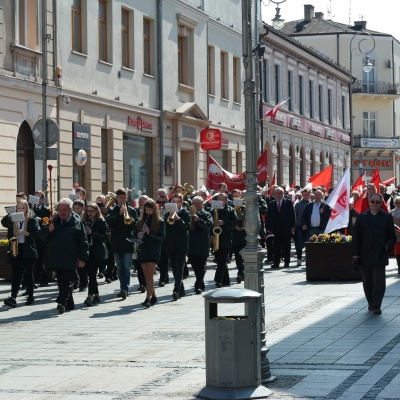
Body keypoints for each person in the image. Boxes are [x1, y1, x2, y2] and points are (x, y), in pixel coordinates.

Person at [39, 198, 89, 314]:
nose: (62, 212)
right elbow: (41, 237)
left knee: (67, 281)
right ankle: (69, 304)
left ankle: (61, 302)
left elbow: (84, 242)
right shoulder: (53, 222)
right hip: (56, 257)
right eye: (60, 210)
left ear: (70, 210)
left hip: (70, 257)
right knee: (61, 282)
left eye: (64, 209)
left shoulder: (77, 223)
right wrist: (48, 230)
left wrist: (83, 258)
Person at [352, 193, 396, 315]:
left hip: (380, 253)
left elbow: (392, 237)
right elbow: (356, 237)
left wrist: (387, 246)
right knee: (367, 282)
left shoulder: (387, 217)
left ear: (381, 203)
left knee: (379, 282)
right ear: (369, 202)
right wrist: (355, 253)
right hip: (364, 254)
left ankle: (377, 305)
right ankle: (371, 302)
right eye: (372, 202)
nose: (375, 204)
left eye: (377, 202)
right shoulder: (362, 217)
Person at [3, 199, 40, 308]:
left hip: (27, 248)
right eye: (18, 208)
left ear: (26, 209)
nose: (20, 210)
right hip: (16, 247)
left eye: (23, 208)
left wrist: (24, 232)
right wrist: (8, 216)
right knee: (16, 274)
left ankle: (31, 297)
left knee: (28, 273)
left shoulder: (32, 219)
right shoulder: (13, 217)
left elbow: (36, 234)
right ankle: (13, 297)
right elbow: (4, 223)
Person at [105, 188, 138, 300]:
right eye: (120, 197)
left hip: (128, 243)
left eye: (124, 197)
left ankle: (125, 289)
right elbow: (109, 222)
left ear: (126, 198)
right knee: (119, 268)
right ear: (117, 198)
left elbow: (136, 225)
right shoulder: (113, 209)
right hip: (116, 243)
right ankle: (122, 287)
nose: (122, 200)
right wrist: (119, 214)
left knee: (126, 267)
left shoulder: (132, 210)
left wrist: (130, 219)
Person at [134, 199, 165, 307]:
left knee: (150, 275)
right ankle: (154, 296)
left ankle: (147, 299)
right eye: (146, 210)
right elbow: (134, 233)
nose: (148, 212)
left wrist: (150, 233)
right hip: (143, 249)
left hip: (153, 250)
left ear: (154, 210)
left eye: (150, 210)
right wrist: (138, 235)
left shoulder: (160, 222)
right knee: (146, 275)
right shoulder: (141, 221)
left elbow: (161, 238)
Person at [164, 193, 191, 300]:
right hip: (170, 244)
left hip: (181, 244)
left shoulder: (185, 213)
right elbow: (165, 227)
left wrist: (178, 219)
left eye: (179, 201)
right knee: (174, 268)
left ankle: (176, 290)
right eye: (174, 201)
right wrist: (169, 217)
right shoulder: (167, 213)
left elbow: (186, 227)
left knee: (179, 268)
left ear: (182, 202)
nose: (177, 204)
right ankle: (181, 289)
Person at [81, 203, 108, 306]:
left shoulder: (101, 221)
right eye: (88, 211)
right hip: (87, 250)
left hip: (97, 251)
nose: (89, 213)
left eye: (91, 211)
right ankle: (96, 294)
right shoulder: (83, 221)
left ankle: (89, 296)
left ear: (96, 211)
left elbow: (104, 237)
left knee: (92, 274)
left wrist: (92, 233)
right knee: (90, 274)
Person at [211, 192, 238, 287]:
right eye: (218, 199)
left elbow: (235, 222)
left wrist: (224, 222)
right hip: (215, 237)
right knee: (219, 260)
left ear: (226, 201)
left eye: (221, 199)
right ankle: (226, 280)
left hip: (226, 237)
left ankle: (218, 280)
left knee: (222, 260)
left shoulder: (230, 210)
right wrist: (211, 235)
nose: (219, 201)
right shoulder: (213, 209)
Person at [188, 196, 213, 294]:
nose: (197, 205)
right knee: (194, 265)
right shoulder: (189, 214)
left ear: (203, 204)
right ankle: (200, 282)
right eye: (195, 203)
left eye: (199, 203)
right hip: (192, 244)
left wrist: (198, 220)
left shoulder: (207, 214)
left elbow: (208, 226)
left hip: (202, 243)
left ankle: (198, 285)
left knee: (201, 265)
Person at [266, 187, 295, 269]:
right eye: (276, 193)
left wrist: (293, 226)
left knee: (286, 246)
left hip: (286, 228)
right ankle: (276, 263)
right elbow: (268, 217)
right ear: (274, 194)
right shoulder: (271, 204)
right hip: (275, 229)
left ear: (283, 194)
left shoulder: (288, 202)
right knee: (276, 247)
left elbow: (292, 215)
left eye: (280, 193)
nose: (278, 195)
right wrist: (268, 227)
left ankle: (286, 262)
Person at [32, 190, 51, 286]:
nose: (35, 200)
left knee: (39, 259)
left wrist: (41, 220)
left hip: (42, 237)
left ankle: (36, 281)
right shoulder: (30, 209)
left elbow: (47, 223)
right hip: (32, 237)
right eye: (34, 197)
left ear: (42, 200)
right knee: (34, 259)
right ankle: (44, 278)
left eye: (38, 198)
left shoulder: (47, 210)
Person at [133, 195, 149, 293]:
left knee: (147, 265)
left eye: (143, 201)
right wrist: (136, 233)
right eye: (140, 201)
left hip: (148, 243)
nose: (141, 203)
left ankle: (147, 284)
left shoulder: (151, 213)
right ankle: (142, 284)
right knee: (138, 264)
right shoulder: (135, 211)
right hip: (138, 243)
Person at [294, 188, 311, 266]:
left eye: (307, 195)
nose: (305, 196)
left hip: (309, 227)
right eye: (304, 195)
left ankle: (308, 259)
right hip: (299, 226)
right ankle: (299, 258)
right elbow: (295, 215)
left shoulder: (311, 204)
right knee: (299, 243)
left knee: (309, 243)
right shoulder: (298, 204)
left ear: (309, 195)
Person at [391, 196, 400, 274]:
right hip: (396, 235)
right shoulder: (391, 212)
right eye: (396, 202)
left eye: (399, 203)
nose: (398, 204)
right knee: (397, 252)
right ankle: (399, 266)